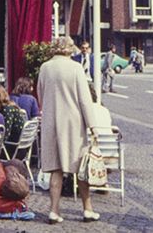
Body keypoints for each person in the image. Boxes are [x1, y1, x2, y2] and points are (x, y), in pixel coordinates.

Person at [36, 35, 98, 224]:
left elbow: (40, 94)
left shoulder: (45, 67)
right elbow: (85, 100)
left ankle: (54, 211)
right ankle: (87, 209)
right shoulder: (76, 68)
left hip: (51, 123)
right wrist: (93, 126)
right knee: (80, 167)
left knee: (56, 169)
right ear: (70, 49)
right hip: (73, 124)